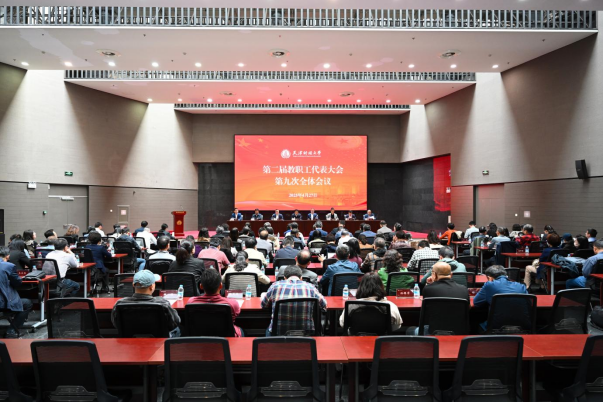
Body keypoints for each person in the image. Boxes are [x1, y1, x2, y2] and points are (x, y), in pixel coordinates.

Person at [262, 265, 327, 336]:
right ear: (301, 278)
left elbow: (264, 305)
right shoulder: (311, 287)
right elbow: (324, 305)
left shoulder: (275, 286)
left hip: (278, 333)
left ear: (284, 278)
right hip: (306, 334)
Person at [112, 270, 181, 337]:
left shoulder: (120, 304)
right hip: (158, 342)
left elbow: (116, 324)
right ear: (152, 287)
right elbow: (175, 322)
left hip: (129, 342)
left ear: (133, 285)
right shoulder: (163, 303)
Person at [188, 268, 243, 336]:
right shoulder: (232, 303)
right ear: (221, 286)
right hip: (226, 338)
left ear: (201, 286)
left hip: (200, 336)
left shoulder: (191, 302)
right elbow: (237, 313)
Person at [0, 247, 33, 338]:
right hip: (2, 303)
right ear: (7, 256)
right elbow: (18, 282)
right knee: (27, 303)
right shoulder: (8, 266)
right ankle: (11, 331)